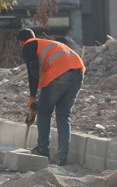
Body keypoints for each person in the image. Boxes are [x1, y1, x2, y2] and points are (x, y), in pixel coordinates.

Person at [17, 28, 85, 165]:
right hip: (78, 72)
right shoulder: (47, 44)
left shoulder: (28, 45)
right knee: (63, 115)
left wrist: (32, 97)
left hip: (60, 72)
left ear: (20, 42)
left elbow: (33, 70)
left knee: (44, 112)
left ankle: (42, 151)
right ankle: (61, 158)